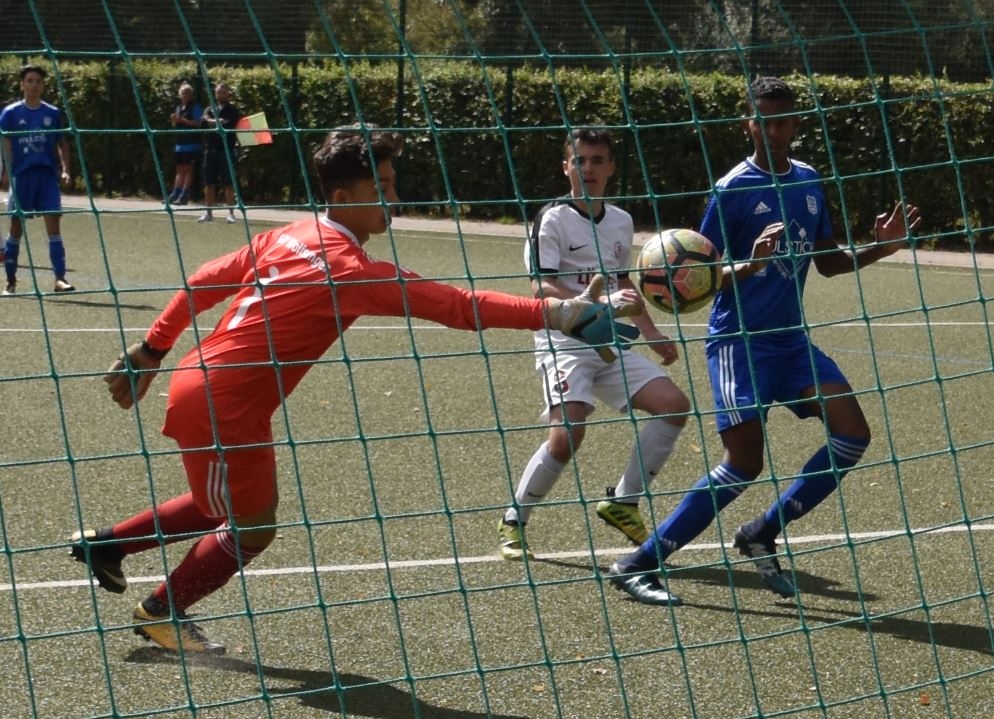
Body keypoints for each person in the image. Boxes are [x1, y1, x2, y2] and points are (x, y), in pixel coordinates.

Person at [69, 124, 641, 655]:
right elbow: (458, 306)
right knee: (253, 526)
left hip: (207, 385)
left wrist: (153, 350)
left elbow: (202, 281)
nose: (393, 197)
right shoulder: (347, 270)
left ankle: (108, 545)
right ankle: (162, 611)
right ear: (343, 198)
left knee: (223, 503)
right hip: (227, 404)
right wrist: (558, 313)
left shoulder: (289, 234)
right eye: (381, 187)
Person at [606, 76, 922, 606]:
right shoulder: (732, 189)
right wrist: (750, 265)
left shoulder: (808, 181)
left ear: (795, 124)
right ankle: (638, 563)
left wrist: (881, 249)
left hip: (791, 342)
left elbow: (828, 263)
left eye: (783, 121)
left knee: (852, 435)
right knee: (743, 464)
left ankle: (761, 532)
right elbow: (695, 278)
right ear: (747, 124)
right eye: (764, 121)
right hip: (739, 344)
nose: (774, 131)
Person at [497, 128, 690, 561]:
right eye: (579, 160)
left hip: (608, 340)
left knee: (674, 406)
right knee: (568, 436)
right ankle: (514, 519)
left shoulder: (620, 221)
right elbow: (540, 286)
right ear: (565, 166)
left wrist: (652, 334)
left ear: (611, 167)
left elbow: (623, 283)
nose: (588, 169)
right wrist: (590, 305)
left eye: (597, 160)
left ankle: (623, 502)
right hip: (563, 341)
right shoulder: (552, 218)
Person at [0, 63, 75, 295]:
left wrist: (65, 169)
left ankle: (60, 279)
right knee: (16, 229)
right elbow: (5, 142)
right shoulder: (10, 113)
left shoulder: (52, 113)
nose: (34, 85)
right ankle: (10, 282)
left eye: (38, 81)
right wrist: (7, 170)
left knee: (54, 227)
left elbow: (62, 143)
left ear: (43, 86)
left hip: (47, 177)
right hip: (22, 177)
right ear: (22, 85)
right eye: (30, 81)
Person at [198, 82, 241, 223]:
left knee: (228, 183)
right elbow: (203, 123)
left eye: (223, 92)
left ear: (228, 94)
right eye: (218, 92)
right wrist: (216, 121)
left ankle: (231, 214)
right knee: (209, 183)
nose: (220, 95)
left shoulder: (233, 110)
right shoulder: (209, 109)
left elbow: (229, 123)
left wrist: (211, 121)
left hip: (227, 150)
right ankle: (208, 214)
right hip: (210, 150)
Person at [166, 82, 202, 206]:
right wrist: (174, 121)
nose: (185, 95)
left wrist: (182, 120)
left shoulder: (195, 107)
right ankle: (175, 193)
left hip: (191, 143)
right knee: (179, 170)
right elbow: (176, 124)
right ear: (179, 95)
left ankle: (184, 195)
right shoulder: (178, 108)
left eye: (188, 93)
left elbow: (198, 123)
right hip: (179, 144)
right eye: (183, 93)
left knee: (188, 170)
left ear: (191, 95)